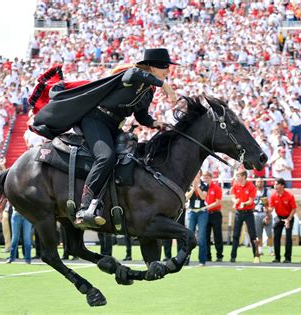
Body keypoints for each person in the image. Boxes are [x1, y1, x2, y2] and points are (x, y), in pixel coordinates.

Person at [32, 48, 178, 228]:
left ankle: (110, 204)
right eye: (165, 67)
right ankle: (85, 207)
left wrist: (156, 123)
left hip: (113, 126)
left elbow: (141, 116)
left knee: (130, 160)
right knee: (106, 157)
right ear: (151, 67)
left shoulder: (149, 90)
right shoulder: (132, 75)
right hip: (95, 120)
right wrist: (164, 85)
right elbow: (131, 73)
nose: (168, 71)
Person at [230, 167, 258, 263]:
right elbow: (233, 197)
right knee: (235, 235)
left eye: (238, 176)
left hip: (248, 212)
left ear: (244, 176)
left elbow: (251, 201)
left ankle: (256, 255)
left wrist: (244, 203)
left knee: (252, 234)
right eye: (237, 176)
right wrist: (235, 201)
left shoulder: (251, 186)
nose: (237, 178)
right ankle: (233, 256)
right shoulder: (235, 185)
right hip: (238, 212)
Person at [269, 178, 297, 263]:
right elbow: (271, 208)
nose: (275, 186)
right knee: (276, 237)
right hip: (279, 217)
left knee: (288, 238)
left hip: (289, 217)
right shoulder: (273, 196)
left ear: (282, 185)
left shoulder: (289, 195)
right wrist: (267, 209)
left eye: (277, 184)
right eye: (274, 184)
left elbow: (294, 209)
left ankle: (288, 258)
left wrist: (288, 219)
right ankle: (277, 258)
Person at [186, 172, 209, 266]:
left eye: (198, 174)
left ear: (200, 175)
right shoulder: (188, 184)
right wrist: (193, 189)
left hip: (202, 212)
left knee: (202, 237)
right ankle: (186, 259)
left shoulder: (205, 185)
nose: (196, 175)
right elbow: (186, 197)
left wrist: (197, 188)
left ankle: (202, 260)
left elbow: (203, 197)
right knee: (188, 236)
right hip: (191, 211)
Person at [204, 172, 223, 262]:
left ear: (211, 178)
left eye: (207, 178)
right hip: (205, 214)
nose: (205, 180)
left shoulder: (216, 187)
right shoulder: (203, 188)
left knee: (217, 235)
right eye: (204, 178)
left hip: (215, 214)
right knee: (206, 236)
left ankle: (219, 255)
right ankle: (208, 256)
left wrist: (207, 207)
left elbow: (218, 202)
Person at [253, 177, 273, 256]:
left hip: (265, 214)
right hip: (256, 214)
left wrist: (268, 214)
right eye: (258, 182)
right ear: (256, 183)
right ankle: (260, 250)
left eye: (261, 182)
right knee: (259, 234)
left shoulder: (267, 192)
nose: (260, 183)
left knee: (269, 233)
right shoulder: (253, 192)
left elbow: (270, 204)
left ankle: (271, 250)